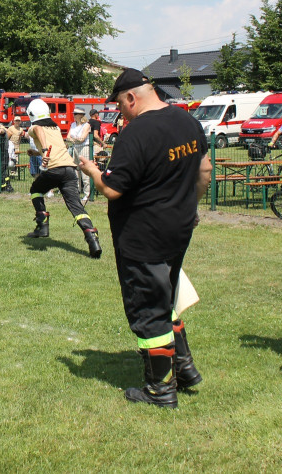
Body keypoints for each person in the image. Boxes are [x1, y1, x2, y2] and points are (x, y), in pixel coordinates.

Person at [78, 69, 211, 408]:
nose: (120, 112)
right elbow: (205, 169)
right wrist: (190, 206)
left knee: (149, 309)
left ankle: (160, 389)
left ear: (132, 98)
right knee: (165, 298)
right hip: (179, 229)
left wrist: (91, 170)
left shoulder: (135, 134)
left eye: (120, 105)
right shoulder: (187, 121)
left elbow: (112, 188)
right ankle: (184, 368)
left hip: (143, 235)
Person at [25, 98, 102, 259]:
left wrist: (44, 150)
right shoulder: (55, 127)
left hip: (55, 169)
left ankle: (42, 222)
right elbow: (59, 149)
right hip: (69, 170)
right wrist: (38, 152)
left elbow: (38, 129)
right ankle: (92, 238)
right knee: (76, 206)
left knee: (35, 190)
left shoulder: (34, 126)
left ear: (32, 114)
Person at [67, 108, 92, 202]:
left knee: (85, 172)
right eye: (74, 114)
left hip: (84, 148)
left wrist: (74, 139)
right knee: (75, 171)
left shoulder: (86, 125)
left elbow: (82, 138)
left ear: (80, 115)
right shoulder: (73, 125)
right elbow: (68, 137)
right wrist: (75, 139)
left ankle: (87, 194)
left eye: (75, 114)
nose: (74, 115)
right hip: (75, 148)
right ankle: (76, 192)